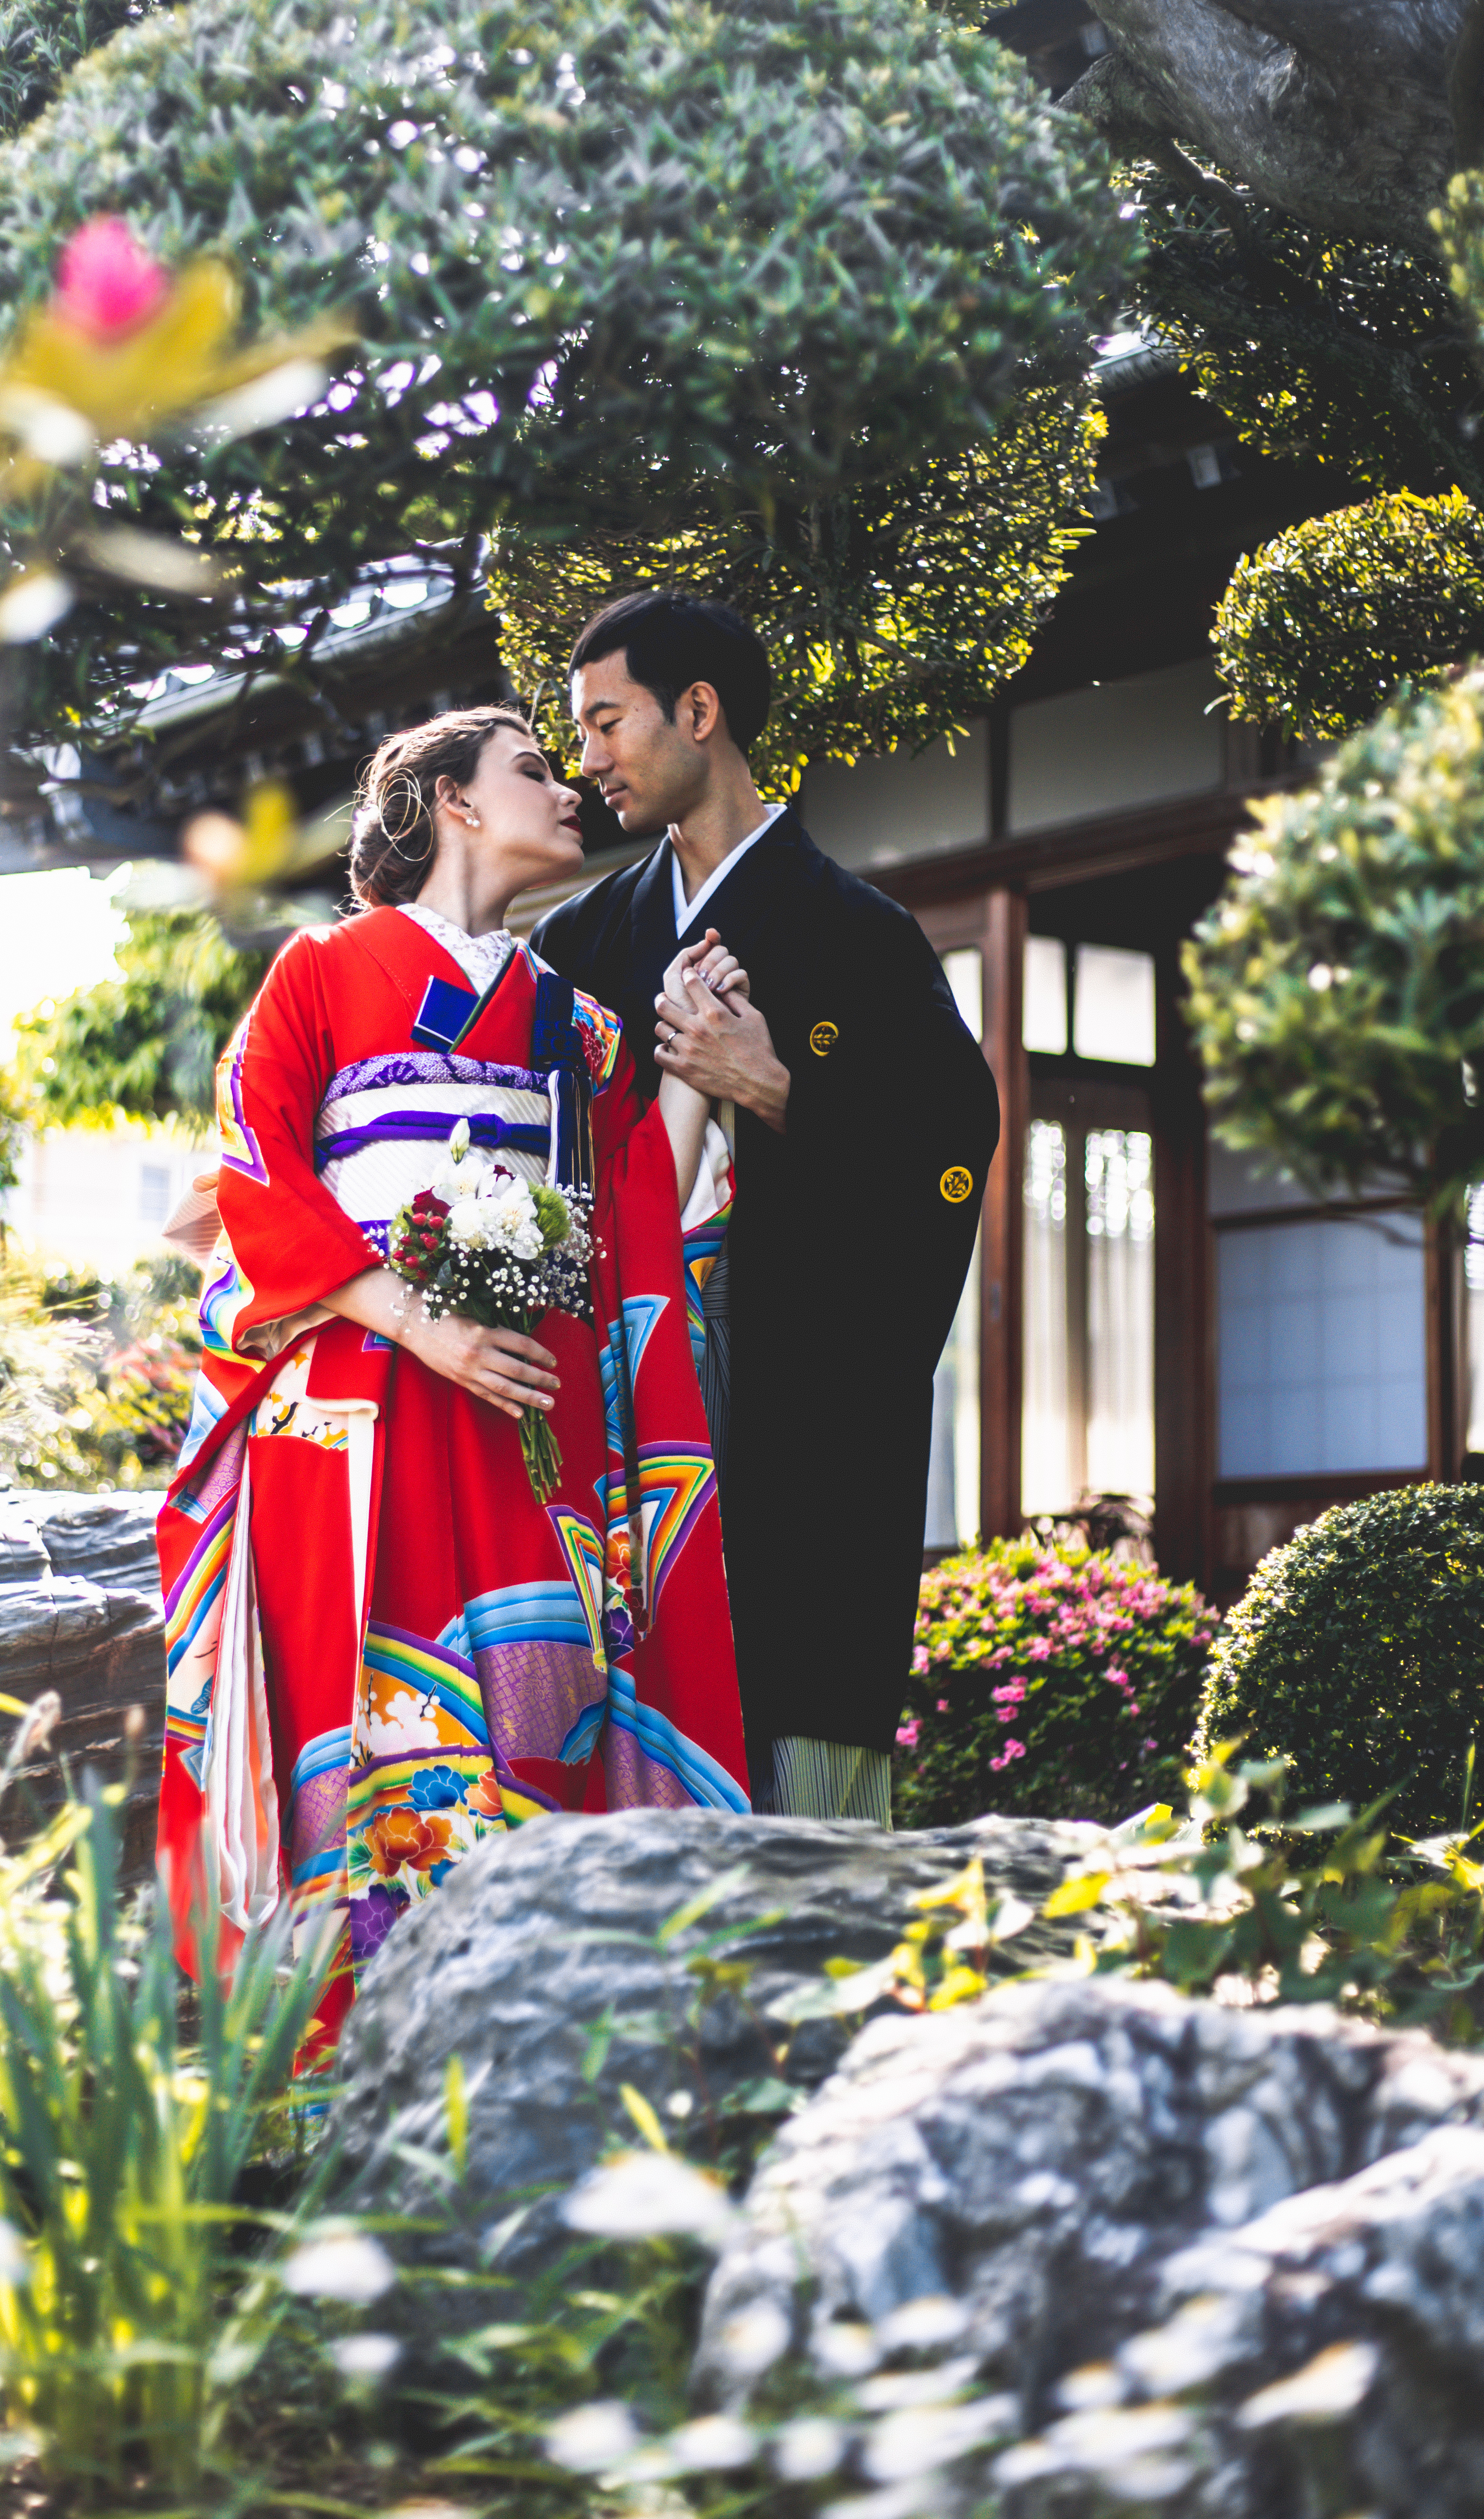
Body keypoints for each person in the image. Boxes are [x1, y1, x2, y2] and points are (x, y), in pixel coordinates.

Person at [156, 705, 748, 2050]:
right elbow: (257, 1163)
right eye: (534, 772)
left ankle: (524, 2048)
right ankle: (333, 2073)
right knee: (358, 1714)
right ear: (451, 804)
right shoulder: (319, 971)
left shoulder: (577, 1028)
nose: (570, 790)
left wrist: (698, 1074)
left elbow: (633, 1206)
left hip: (520, 1408)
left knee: (540, 1697)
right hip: (357, 1402)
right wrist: (414, 1322)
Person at [531, 592, 1000, 1825]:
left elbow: (953, 1140)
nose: (586, 763)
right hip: (626, 1364)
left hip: (798, 1360)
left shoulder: (859, 934)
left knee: (796, 1688)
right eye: (573, 735)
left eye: (605, 723)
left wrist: (781, 1093)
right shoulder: (585, 938)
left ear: (698, 711)